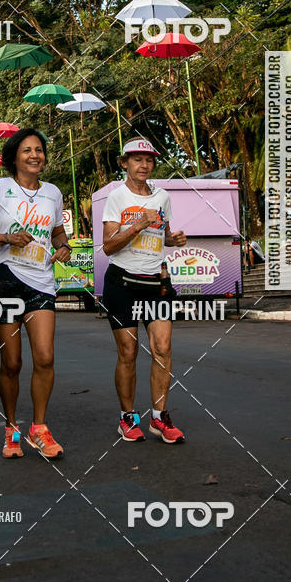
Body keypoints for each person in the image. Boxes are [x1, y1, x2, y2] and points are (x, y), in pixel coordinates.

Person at [0, 128, 71, 460]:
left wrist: (64, 247)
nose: (34, 155)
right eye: (27, 150)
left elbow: (58, 233)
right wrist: (5, 238)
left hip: (41, 281)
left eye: (39, 150)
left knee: (45, 357)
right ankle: (11, 428)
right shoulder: (0, 189)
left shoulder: (53, 193)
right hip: (6, 280)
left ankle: (38, 428)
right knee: (11, 362)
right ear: (14, 157)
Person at [101, 138, 187, 444]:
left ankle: (159, 417)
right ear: (124, 163)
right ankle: (127, 417)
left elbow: (163, 235)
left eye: (149, 160)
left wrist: (174, 240)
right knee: (128, 352)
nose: (144, 165)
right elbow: (108, 246)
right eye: (137, 159)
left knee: (163, 348)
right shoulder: (116, 197)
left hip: (155, 283)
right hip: (122, 282)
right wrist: (136, 225)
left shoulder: (162, 196)